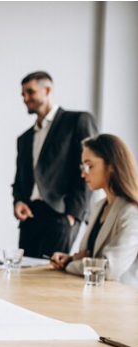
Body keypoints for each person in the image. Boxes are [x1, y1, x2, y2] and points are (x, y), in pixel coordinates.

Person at [12, 71, 98, 258]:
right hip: (29, 219)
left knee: (51, 280)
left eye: (30, 92)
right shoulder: (24, 138)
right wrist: (18, 201)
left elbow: (91, 167)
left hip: (61, 216)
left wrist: (73, 215)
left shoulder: (77, 121)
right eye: (23, 94)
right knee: (24, 280)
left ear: (47, 90)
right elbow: (19, 178)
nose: (25, 99)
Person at [51, 134, 138, 288]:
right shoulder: (99, 207)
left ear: (112, 166)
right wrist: (71, 259)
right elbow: (91, 258)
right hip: (93, 294)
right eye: (83, 167)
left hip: (119, 301)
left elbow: (109, 269)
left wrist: (70, 265)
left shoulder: (132, 213)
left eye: (89, 166)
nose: (83, 174)